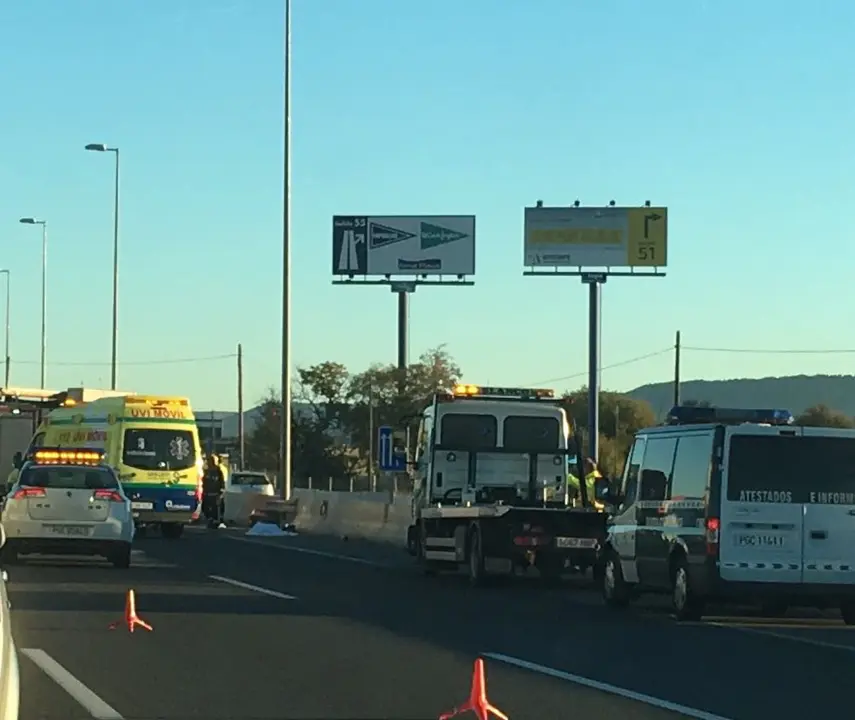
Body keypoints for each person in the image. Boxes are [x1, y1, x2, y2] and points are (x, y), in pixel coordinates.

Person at [202, 454, 225, 526]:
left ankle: (215, 520)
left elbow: (221, 481)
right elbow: (203, 481)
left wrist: (221, 491)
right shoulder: (205, 471)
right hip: (207, 494)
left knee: (216, 509)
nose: (208, 463)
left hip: (215, 494)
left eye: (210, 461)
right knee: (206, 508)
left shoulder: (218, 471)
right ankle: (209, 519)